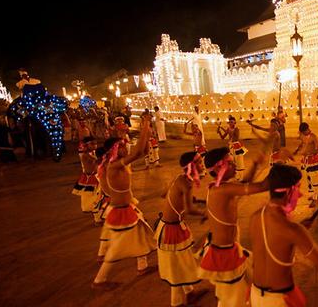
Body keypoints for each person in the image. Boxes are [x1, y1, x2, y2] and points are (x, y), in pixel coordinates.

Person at [248, 164, 318, 307]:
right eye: (298, 188)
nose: (300, 194)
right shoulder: (293, 230)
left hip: (256, 295)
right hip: (278, 300)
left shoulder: (256, 216)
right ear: (289, 192)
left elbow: (275, 242)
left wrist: (299, 228)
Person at [196, 147, 268, 307]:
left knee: (234, 294)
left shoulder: (222, 186)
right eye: (230, 162)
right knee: (233, 299)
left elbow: (246, 183)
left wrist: (255, 164)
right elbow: (262, 186)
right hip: (224, 256)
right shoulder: (222, 190)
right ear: (218, 168)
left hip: (229, 249)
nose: (235, 164)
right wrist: (283, 171)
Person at [92, 114, 157, 290]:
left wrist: (147, 131)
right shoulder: (113, 166)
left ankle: (142, 266)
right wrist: (145, 125)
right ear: (113, 150)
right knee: (116, 249)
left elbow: (142, 152)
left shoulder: (119, 164)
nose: (124, 148)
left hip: (128, 208)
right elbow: (137, 152)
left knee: (141, 234)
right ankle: (100, 280)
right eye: (120, 146)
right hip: (121, 211)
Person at [155, 151, 207, 307]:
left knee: (180, 262)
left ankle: (190, 292)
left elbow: (164, 194)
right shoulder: (187, 183)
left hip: (167, 226)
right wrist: (206, 213)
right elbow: (190, 210)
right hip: (172, 230)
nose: (202, 163)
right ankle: (176, 303)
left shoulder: (179, 178)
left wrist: (195, 200)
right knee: (178, 266)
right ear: (191, 166)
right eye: (198, 161)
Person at [293, 122, 318, 208]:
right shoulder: (302, 136)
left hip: (314, 161)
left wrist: (310, 152)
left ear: (307, 129)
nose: (304, 133)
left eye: (305, 131)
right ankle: (315, 195)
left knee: (315, 180)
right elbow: (302, 143)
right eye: (302, 132)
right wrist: (297, 150)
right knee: (310, 179)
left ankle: (315, 198)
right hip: (306, 161)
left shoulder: (313, 137)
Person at [73, 136, 100, 213]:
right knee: (87, 194)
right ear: (86, 145)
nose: (95, 145)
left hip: (95, 175)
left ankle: (94, 207)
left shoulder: (93, 152)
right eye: (92, 144)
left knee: (95, 193)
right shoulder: (84, 154)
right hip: (89, 176)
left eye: (96, 144)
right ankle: (88, 208)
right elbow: (95, 161)